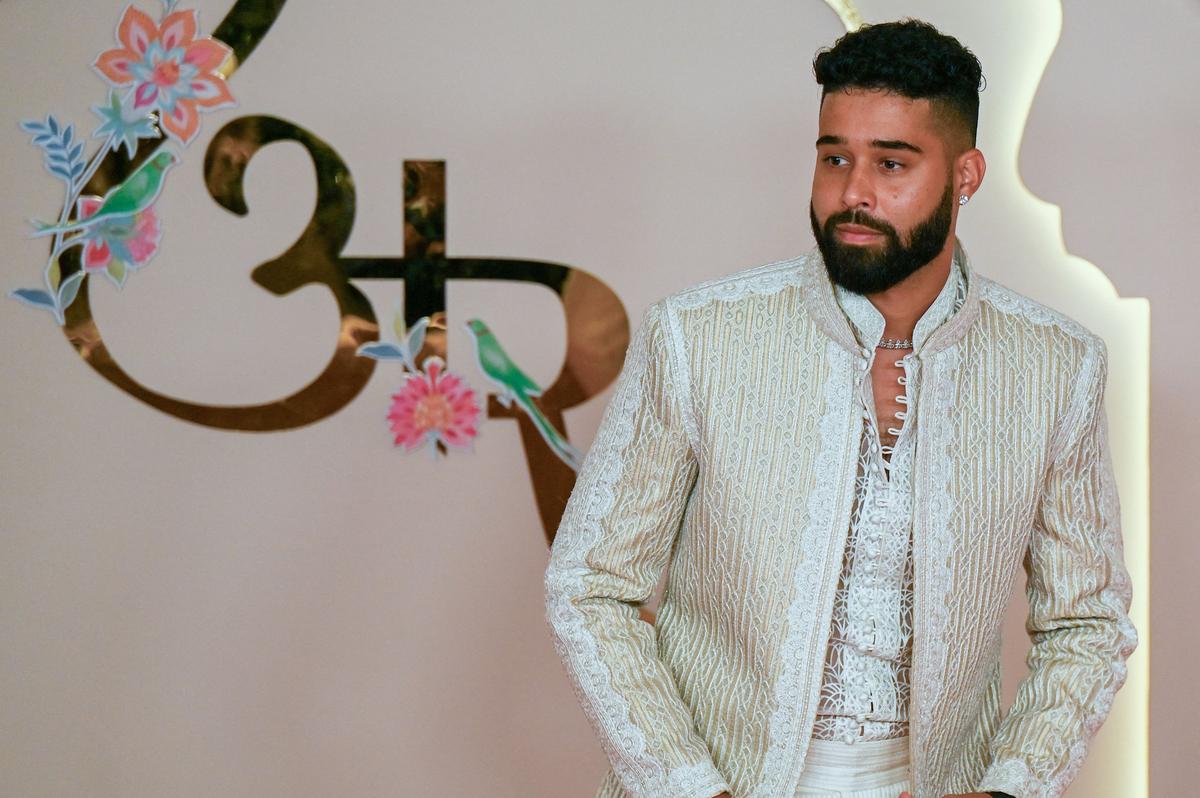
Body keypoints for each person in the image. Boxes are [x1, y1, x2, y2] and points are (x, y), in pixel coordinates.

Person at [544, 19, 1135, 798]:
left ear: (965, 176)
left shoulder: (1055, 366)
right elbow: (590, 584)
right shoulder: (698, 336)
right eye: (834, 158)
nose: (853, 192)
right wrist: (687, 786)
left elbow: (1086, 623)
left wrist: (1010, 789)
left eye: (892, 163)